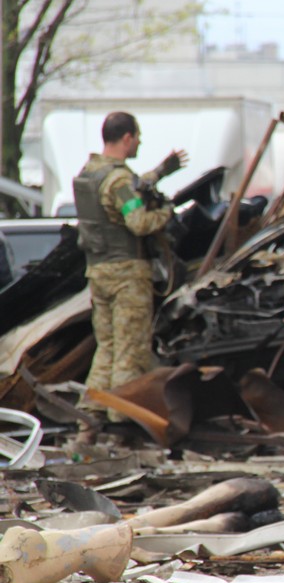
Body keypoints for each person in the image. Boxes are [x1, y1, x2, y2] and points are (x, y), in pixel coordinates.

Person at [73, 111, 188, 431]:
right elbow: (138, 221)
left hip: (99, 272)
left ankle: (91, 417)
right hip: (127, 276)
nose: (139, 143)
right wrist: (166, 213)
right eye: (137, 137)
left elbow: (127, 191)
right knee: (130, 352)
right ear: (127, 138)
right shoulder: (118, 179)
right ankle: (121, 423)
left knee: (107, 349)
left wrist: (159, 173)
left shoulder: (90, 173)